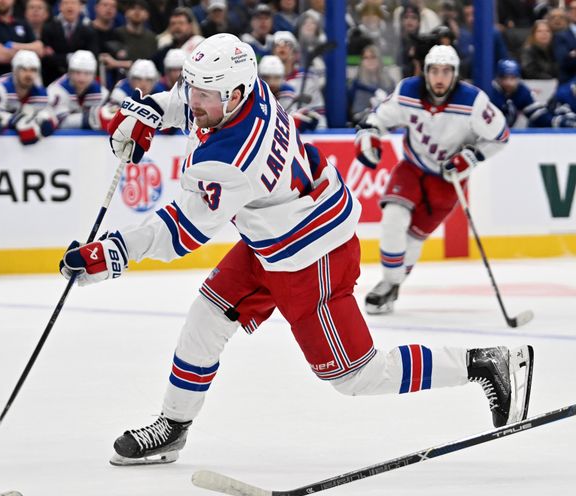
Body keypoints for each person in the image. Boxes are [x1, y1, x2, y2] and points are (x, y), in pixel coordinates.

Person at [59, 34, 534, 466]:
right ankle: (174, 426)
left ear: (235, 93)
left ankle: (484, 363)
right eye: (195, 87)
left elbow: (180, 234)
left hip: (311, 255)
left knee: (357, 376)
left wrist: (109, 255)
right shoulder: (245, 93)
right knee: (206, 315)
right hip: (275, 236)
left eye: (206, 93)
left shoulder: (231, 158)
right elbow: (186, 100)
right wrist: (152, 114)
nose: (195, 99)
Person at [354, 45, 509, 315]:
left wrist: (472, 156)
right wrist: (369, 134)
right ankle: (388, 283)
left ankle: (394, 285)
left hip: (449, 182)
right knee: (393, 217)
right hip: (412, 168)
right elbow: (377, 119)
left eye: (446, 72)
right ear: (425, 72)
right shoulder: (408, 91)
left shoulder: (474, 102)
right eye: (434, 71)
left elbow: (500, 137)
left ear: (456, 74)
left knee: (414, 239)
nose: (440, 78)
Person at [0, 49, 56, 144]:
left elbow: (51, 118)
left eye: (33, 70)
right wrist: (15, 120)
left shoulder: (40, 92)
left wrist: (41, 121)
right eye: (24, 69)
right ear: (15, 71)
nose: (29, 74)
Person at [487, 58, 576, 128]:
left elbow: (538, 116)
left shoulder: (521, 91)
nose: (508, 82)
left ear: (518, 78)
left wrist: (558, 122)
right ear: (497, 78)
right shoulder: (490, 92)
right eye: (504, 78)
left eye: (513, 78)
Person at [0, 0, 43, 87]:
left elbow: (40, 49)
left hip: (27, 87)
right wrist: (29, 51)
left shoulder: (22, 22)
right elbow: (0, 56)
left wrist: (14, 46)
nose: (2, 1)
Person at [272, 30, 326, 131]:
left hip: (303, 135)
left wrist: (319, 134)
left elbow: (319, 114)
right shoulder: (262, 79)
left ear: (296, 54)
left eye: (288, 44)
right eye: (277, 45)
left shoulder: (308, 78)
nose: (282, 47)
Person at [47, 49, 108, 130]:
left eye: (87, 73)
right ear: (70, 72)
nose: (82, 78)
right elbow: (59, 122)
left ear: (93, 75)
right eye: (77, 72)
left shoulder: (102, 93)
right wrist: (94, 118)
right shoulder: (56, 90)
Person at [348, 44, 395, 124]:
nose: (370, 61)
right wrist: (370, 109)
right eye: (366, 58)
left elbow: (395, 109)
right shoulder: (357, 83)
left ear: (379, 59)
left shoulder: (389, 82)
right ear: (362, 61)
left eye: (373, 57)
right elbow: (355, 115)